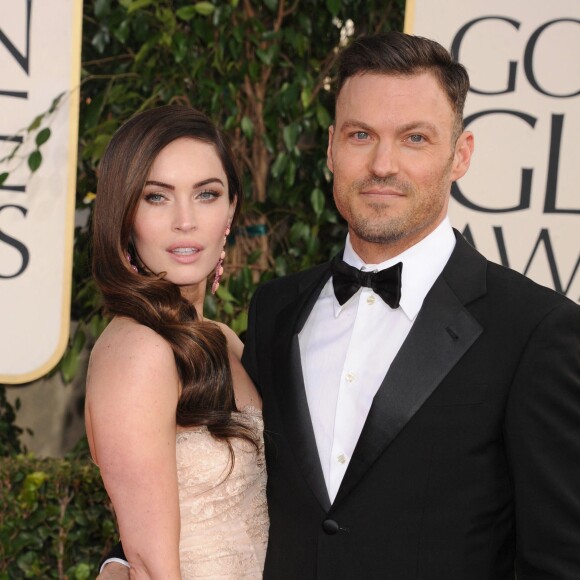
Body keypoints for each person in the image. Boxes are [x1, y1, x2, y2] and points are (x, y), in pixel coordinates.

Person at [101, 32, 580, 580]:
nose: (382, 164)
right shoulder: (276, 312)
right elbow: (190, 476)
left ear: (460, 155)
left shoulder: (535, 331)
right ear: (331, 148)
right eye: (360, 135)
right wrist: (123, 563)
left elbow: (559, 560)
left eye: (415, 138)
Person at [85, 105, 268, 579]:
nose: (185, 221)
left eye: (206, 194)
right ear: (125, 215)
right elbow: (150, 566)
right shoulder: (138, 351)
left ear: (231, 210)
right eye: (157, 198)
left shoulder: (225, 340)